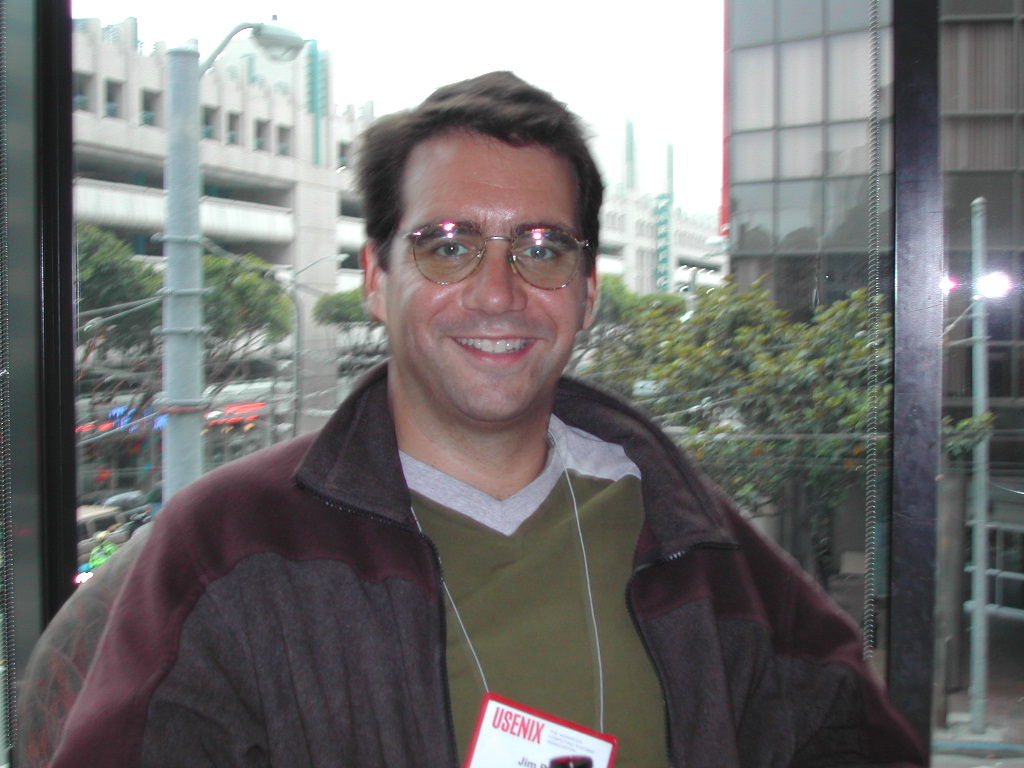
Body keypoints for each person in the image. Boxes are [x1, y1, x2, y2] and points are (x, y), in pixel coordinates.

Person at [44, 72, 926, 767]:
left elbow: (850, 735)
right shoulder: (229, 544)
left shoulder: (683, 524)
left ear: (586, 293)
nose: (498, 292)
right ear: (379, 278)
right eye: (449, 245)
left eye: (541, 249)